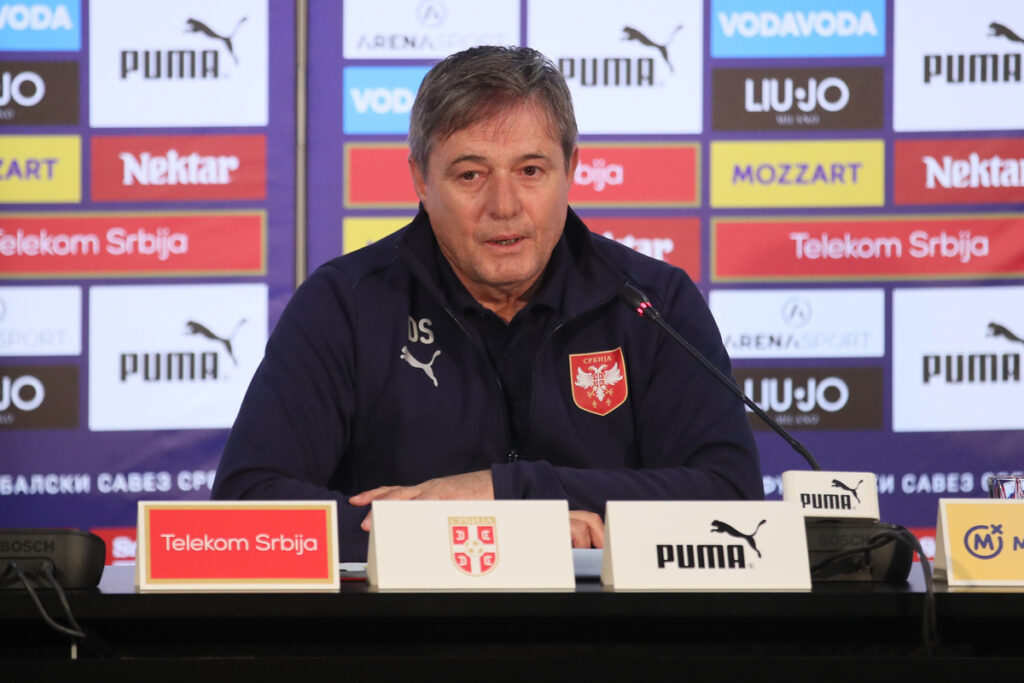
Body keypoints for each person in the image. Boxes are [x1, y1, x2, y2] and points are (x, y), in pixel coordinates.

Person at [212, 45, 762, 561]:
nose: (504, 205)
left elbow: (732, 500)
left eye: (530, 171)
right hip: (402, 646)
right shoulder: (346, 304)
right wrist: (496, 531)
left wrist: (506, 493)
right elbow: (246, 509)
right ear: (421, 180)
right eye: (471, 174)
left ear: (570, 171)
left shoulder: (653, 303)